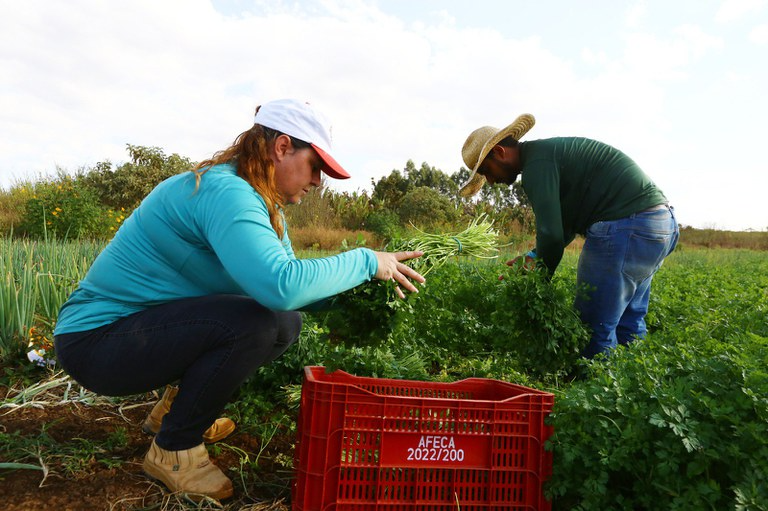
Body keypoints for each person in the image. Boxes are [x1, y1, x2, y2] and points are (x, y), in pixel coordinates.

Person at [53, 98, 425, 501]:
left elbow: (288, 293)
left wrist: (354, 297)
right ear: (282, 148)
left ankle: (173, 413)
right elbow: (280, 285)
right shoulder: (227, 192)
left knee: (283, 322)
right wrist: (365, 261)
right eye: (315, 167)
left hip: (142, 333)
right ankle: (174, 449)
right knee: (255, 323)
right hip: (96, 342)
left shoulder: (265, 207)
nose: (319, 181)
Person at [459, 113, 678, 359]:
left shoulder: (536, 168)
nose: (490, 180)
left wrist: (538, 283)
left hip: (627, 228)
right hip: (658, 225)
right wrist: (533, 256)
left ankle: (596, 390)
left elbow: (550, 235)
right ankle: (632, 386)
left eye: (487, 171)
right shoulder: (549, 155)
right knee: (629, 322)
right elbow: (565, 227)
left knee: (593, 326)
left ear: (499, 152)